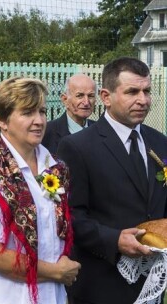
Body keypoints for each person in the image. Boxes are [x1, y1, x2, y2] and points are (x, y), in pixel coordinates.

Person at [0, 77, 80, 304]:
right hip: (2, 295)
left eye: (42, 111)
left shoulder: (54, 166)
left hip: (49, 294)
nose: (39, 121)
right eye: (27, 113)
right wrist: (54, 271)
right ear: (2, 120)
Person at [58, 57, 167, 304]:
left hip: (154, 282)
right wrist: (114, 240)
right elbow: (70, 215)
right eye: (132, 92)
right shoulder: (78, 147)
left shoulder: (161, 143)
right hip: (102, 283)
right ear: (106, 97)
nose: (143, 99)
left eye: (147, 91)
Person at [42, 74, 97, 154]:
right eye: (80, 96)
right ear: (65, 99)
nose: (86, 102)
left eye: (91, 96)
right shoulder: (46, 133)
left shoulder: (100, 131)